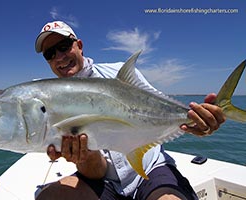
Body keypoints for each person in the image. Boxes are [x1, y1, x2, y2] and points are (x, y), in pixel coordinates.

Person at [34, 21, 225, 200]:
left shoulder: (117, 73)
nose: (59, 57)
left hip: (150, 169)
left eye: (64, 46)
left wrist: (195, 120)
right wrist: (84, 156)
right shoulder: (50, 103)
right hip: (103, 179)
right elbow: (96, 172)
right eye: (49, 53)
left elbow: (160, 108)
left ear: (79, 45)